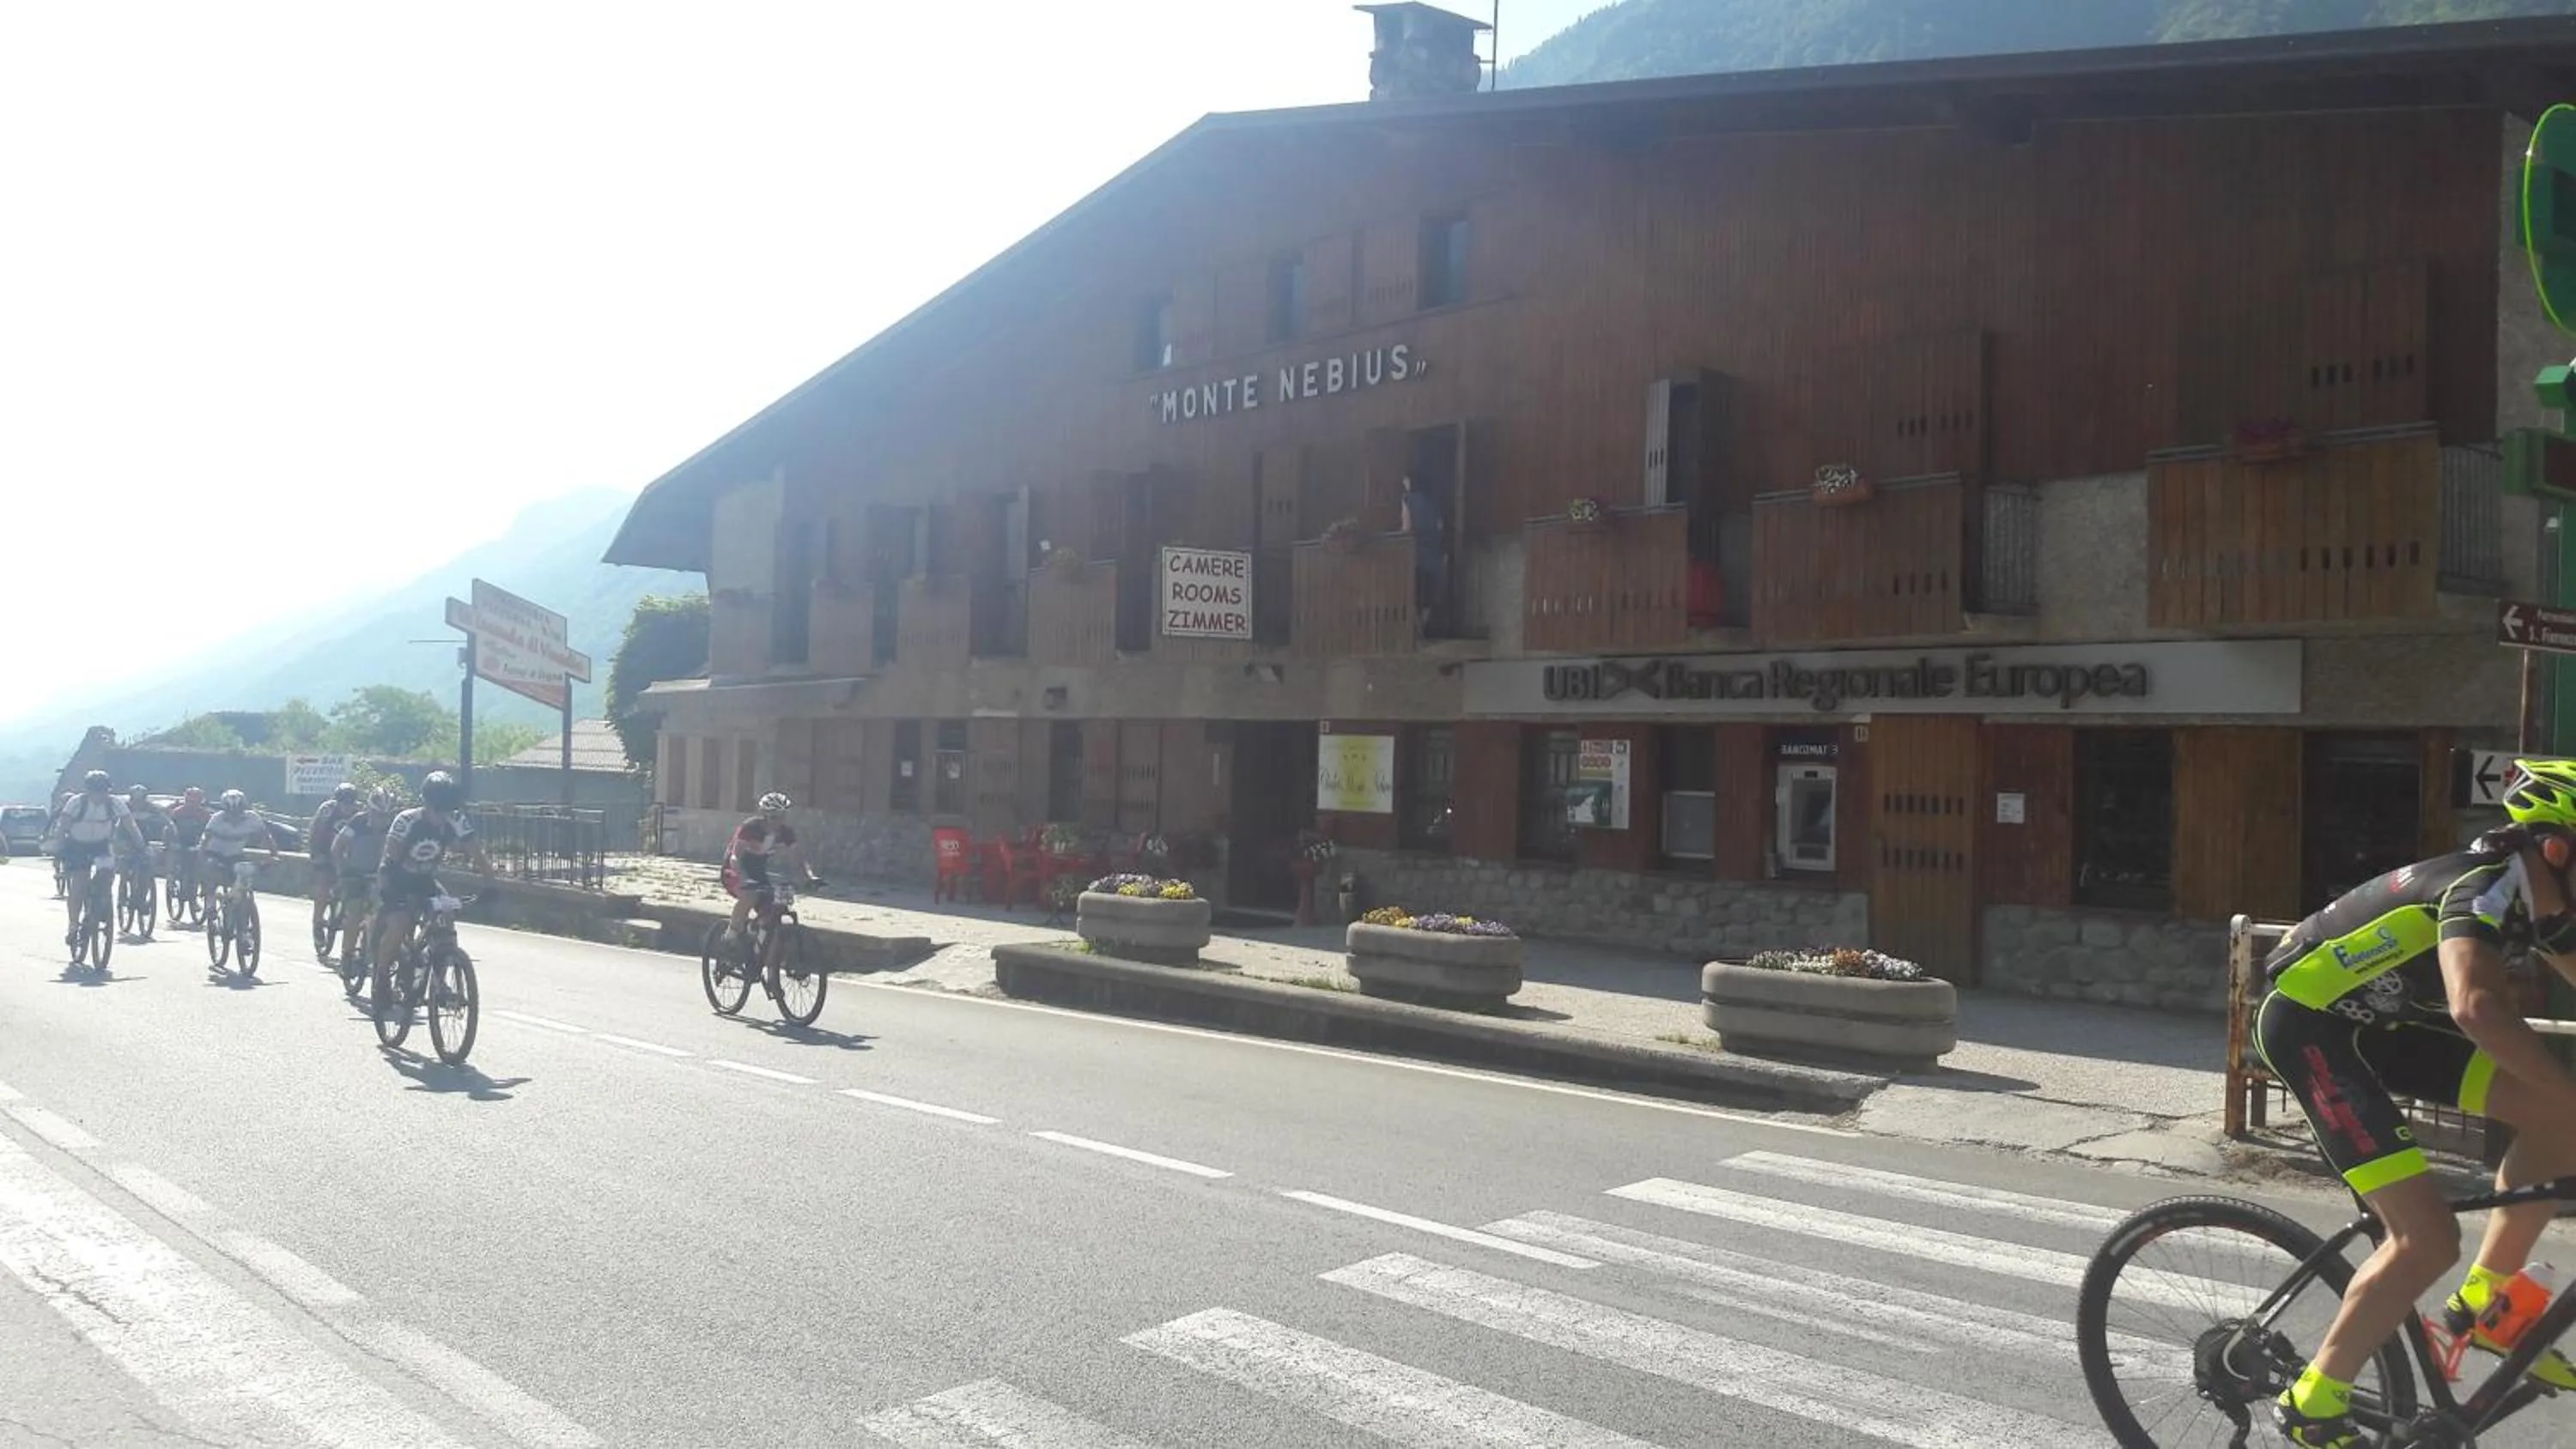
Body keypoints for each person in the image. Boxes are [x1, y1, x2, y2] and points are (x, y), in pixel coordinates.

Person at [2261, 758, 2576, 1447]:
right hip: (2312, 1028)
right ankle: (2313, 1401)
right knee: (2428, 1239)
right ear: (2557, 848)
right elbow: (2477, 1006)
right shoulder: (2485, 885)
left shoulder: (2546, 904)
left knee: (2562, 1118)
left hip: (2386, 1028)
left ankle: (2488, 1304)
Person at [371, 772, 491, 1001]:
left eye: (447, 810)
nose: (442, 816)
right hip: (396, 877)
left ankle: (440, 983)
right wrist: (389, 890)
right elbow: (391, 855)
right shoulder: (407, 820)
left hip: (425, 880)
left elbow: (477, 852)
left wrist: (490, 884)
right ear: (425, 803)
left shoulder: (455, 819)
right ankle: (382, 977)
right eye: (438, 810)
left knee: (446, 919)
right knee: (399, 924)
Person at [720, 792, 822, 975]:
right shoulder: (751, 827)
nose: (778, 821)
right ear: (764, 815)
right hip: (736, 868)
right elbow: (736, 856)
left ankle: (764, 959)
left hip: (758, 871)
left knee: (773, 913)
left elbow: (798, 858)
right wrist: (743, 879)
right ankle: (731, 936)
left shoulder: (785, 832)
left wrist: (810, 877)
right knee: (750, 896)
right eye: (774, 817)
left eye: (782, 816)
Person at [48, 772, 143, 944]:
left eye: (103, 791)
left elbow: (131, 825)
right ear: (87, 790)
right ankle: (73, 926)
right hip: (78, 845)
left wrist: (141, 845)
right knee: (78, 884)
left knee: (107, 874)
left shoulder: (115, 803)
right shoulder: (76, 802)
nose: (99, 795)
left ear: (108, 790)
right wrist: (58, 846)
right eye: (95, 791)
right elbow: (63, 827)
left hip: (101, 845)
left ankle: (100, 902)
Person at [329, 789, 398, 968]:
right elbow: (337, 848)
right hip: (355, 874)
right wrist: (343, 871)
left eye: (386, 815)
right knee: (355, 912)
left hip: (380, 875)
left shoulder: (395, 826)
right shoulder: (358, 822)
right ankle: (347, 956)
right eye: (377, 814)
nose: (382, 820)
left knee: (388, 913)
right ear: (369, 810)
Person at [198, 791, 283, 922]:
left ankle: (237, 905)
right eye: (230, 812)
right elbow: (205, 840)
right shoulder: (217, 818)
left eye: (238, 812)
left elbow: (266, 837)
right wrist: (202, 859)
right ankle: (210, 904)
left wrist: (274, 855)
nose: (234, 816)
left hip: (235, 854)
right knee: (212, 871)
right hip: (215, 852)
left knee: (242, 878)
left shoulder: (252, 818)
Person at [307, 783, 365, 949]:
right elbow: (315, 832)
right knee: (324, 886)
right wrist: (316, 855)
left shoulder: (358, 813)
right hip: (324, 851)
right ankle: (318, 923)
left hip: (347, 855)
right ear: (337, 801)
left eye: (351, 802)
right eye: (344, 802)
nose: (348, 806)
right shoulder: (327, 810)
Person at [167, 786, 213, 911]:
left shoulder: (205, 814)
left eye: (196, 802)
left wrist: (205, 846)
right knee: (174, 857)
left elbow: (209, 832)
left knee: (197, 870)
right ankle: (171, 877)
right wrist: (170, 843)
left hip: (196, 844)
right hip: (180, 842)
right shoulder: (178, 812)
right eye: (190, 801)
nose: (192, 805)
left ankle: (194, 898)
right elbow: (169, 829)